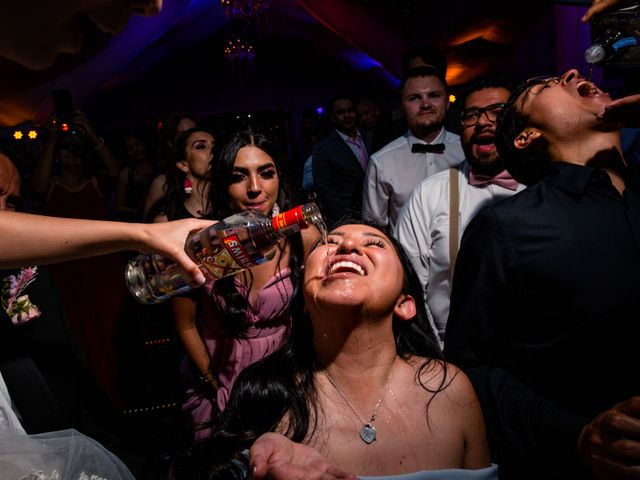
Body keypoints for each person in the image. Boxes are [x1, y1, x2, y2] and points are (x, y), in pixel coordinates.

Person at [173, 218, 496, 480]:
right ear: (300, 303)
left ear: (405, 304)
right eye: (329, 241)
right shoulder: (267, 395)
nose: (349, 245)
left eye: (375, 243)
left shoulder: (449, 388)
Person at [444, 69, 640, 479]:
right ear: (525, 136)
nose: (572, 72)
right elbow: (470, 370)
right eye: (544, 88)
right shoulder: (508, 227)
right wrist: (577, 436)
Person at [179, 130, 320, 440]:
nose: (255, 188)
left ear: (279, 178)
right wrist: (215, 385)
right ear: (222, 185)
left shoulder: (301, 237)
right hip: (220, 375)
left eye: (266, 174)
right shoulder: (202, 243)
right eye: (238, 177)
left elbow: (316, 316)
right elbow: (186, 324)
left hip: (284, 376)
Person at [394, 74, 523, 343]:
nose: (483, 122)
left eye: (497, 112)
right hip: (453, 350)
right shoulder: (429, 194)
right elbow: (408, 285)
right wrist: (437, 352)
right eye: (472, 115)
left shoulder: (546, 188)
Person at [362, 66, 464, 230]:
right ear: (402, 106)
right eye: (415, 98)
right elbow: (374, 229)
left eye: (434, 95)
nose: (425, 104)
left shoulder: (467, 152)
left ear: (447, 103)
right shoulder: (381, 162)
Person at [311, 95, 373, 226]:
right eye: (341, 112)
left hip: (377, 212)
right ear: (333, 118)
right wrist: (348, 218)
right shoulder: (323, 148)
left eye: (350, 110)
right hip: (346, 218)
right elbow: (325, 189)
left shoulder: (370, 136)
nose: (347, 115)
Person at [143, 112, 199, 220]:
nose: (194, 138)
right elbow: (148, 228)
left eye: (195, 131)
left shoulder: (215, 175)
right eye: (185, 134)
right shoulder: (162, 183)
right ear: (171, 142)